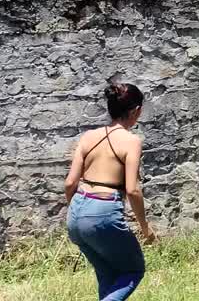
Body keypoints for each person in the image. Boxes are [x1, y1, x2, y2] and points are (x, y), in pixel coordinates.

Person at [63, 83, 156, 301]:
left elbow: (70, 183)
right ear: (136, 111)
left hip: (76, 213)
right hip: (103, 211)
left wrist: (79, 212)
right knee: (133, 270)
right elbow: (132, 190)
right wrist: (145, 228)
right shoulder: (131, 142)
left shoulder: (88, 137)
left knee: (109, 274)